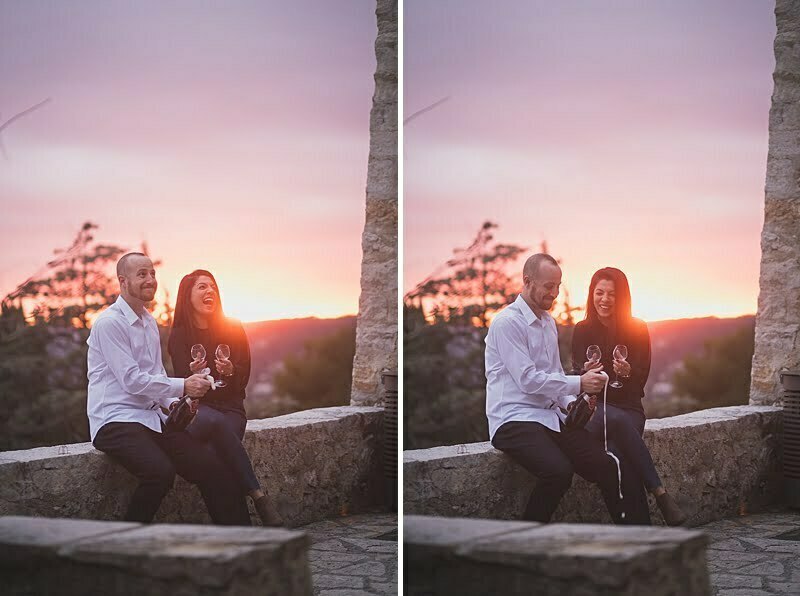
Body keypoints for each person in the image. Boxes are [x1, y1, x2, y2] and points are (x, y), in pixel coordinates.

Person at [88, 253, 251, 525]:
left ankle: (244, 538)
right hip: (115, 420)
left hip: (151, 418)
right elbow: (132, 380)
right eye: (142, 274)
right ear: (123, 281)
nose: (150, 279)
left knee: (212, 466)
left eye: (152, 273)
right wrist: (184, 385)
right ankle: (124, 541)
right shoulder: (109, 324)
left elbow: (156, 375)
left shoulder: (149, 322)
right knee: (160, 473)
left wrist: (175, 403)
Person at [486, 253, 647, 524]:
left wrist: (573, 402)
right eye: (549, 286)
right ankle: (522, 540)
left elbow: (554, 375)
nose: (555, 293)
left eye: (558, 286)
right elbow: (528, 380)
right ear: (527, 281)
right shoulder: (507, 324)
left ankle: (638, 536)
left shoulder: (548, 323)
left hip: (549, 417)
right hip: (513, 419)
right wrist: (581, 382)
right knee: (558, 472)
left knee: (607, 465)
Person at [571, 267, 687, 526]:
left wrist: (628, 372)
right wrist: (584, 371)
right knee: (614, 423)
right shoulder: (582, 329)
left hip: (629, 409)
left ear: (622, 297)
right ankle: (660, 494)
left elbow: (640, 382)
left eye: (612, 294)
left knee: (618, 459)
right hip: (596, 409)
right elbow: (577, 376)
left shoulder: (637, 328)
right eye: (599, 293)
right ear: (591, 295)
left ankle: (638, 532)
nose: (604, 299)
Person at [167, 269, 283, 527]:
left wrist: (231, 371)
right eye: (202, 287)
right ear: (187, 296)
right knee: (214, 425)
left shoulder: (233, 327)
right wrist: (192, 374)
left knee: (216, 460)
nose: (210, 291)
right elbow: (185, 384)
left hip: (231, 408)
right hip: (200, 410)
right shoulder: (179, 335)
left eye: (213, 286)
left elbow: (243, 378)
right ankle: (258, 496)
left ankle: (237, 532)